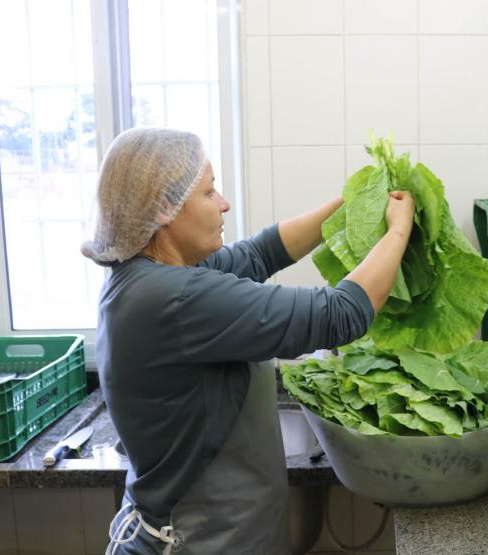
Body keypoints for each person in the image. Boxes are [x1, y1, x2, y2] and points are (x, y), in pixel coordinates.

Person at [81, 127, 414, 554]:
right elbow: (340, 313)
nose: (224, 203)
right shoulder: (173, 298)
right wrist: (397, 234)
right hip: (196, 541)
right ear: (164, 207)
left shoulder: (149, 277)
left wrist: (351, 205)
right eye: (208, 191)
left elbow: (259, 254)